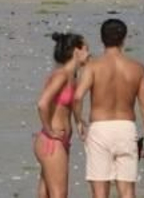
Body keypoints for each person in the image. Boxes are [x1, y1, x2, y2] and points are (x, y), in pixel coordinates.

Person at [76, 19, 144, 198]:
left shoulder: (93, 66)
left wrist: (79, 121)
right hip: (126, 128)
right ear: (124, 38)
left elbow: (77, 97)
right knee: (127, 191)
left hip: (100, 128)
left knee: (99, 191)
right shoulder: (137, 68)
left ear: (102, 39)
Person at [33, 32, 89, 198]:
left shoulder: (73, 77)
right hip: (51, 141)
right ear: (76, 51)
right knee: (59, 194)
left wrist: (79, 122)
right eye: (86, 49)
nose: (89, 53)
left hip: (60, 141)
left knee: (46, 193)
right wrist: (49, 130)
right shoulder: (61, 75)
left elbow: (69, 106)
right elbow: (42, 103)